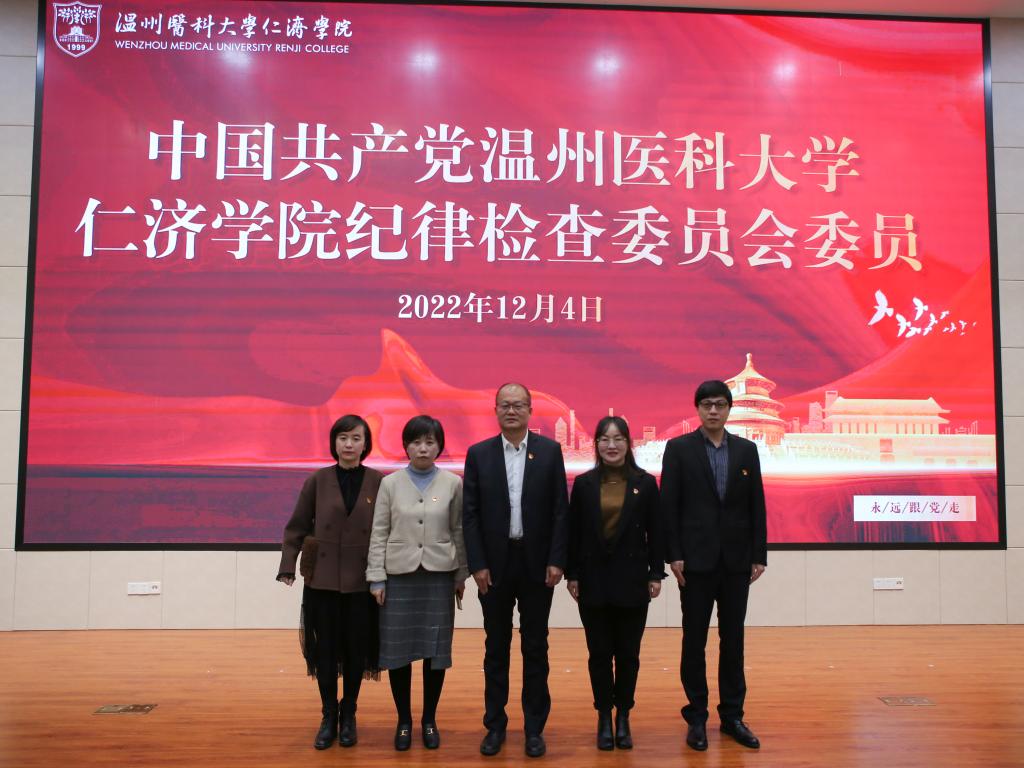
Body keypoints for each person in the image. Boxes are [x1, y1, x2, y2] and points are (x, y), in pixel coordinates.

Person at [462, 383, 569, 758]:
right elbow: (470, 515)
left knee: (536, 646)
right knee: (496, 647)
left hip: (538, 565)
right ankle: (495, 725)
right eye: (505, 405)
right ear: (495, 410)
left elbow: (560, 510)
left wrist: (557, 559)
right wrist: (477, 563)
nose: (511, 411)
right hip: (494, 566)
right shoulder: (479, 454)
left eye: (518, 405)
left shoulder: (550, 452)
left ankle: (534, 728)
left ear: (530, 410)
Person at [660, 380, 768, 752]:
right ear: (697, 408)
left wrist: (758, 554)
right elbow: (669, 506)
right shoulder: (679, 449)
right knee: (694, 641)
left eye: (720, 404)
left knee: (733, 640)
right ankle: (697, 716)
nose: (713, 411)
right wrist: (673, 554)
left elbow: (756, 504)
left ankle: (732, 716)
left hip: (736, 562)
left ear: (729, 409)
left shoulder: (746, 450)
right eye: (706, 404)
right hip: (694, 562)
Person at [277, 414, 384, 750]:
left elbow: (387, 531)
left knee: (355, 650)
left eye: (356, 438)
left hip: (362, 581)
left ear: (366, 444)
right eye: (343, 438)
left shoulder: (379, 482)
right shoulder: (317, 480)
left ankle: (348, 713)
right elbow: (296, 526)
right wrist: (288, 565)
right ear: (334, 443)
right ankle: (328, 715)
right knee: (325, 651)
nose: (349, 444)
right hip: (322, 581)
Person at [366, 415, 467, 752]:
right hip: (398, 577)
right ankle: (404, 721)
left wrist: (460, 574)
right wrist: (376, 577)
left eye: (430, 442)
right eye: (416, 442)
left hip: (439, 577)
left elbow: (458, 531)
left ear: (439, 447)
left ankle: (429, 720)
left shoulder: (452, 483)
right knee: (399, 652)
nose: (423, 448)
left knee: (435, 652)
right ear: (406, 446)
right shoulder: (390, 484)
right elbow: (379, 532)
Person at [565, 416, 665, 751]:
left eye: (618, 438)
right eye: (605, 439)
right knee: (598, 654)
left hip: (633, 581)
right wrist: (572, 574)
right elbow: (574, 534)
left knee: (628, 655)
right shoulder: (583, 484)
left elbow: (657, 532)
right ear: (596, 444)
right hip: (592, 582)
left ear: (628, 443)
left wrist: (656, 573)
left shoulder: (645, 484)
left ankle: (623, 715)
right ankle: (603, 716)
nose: (611, 445)